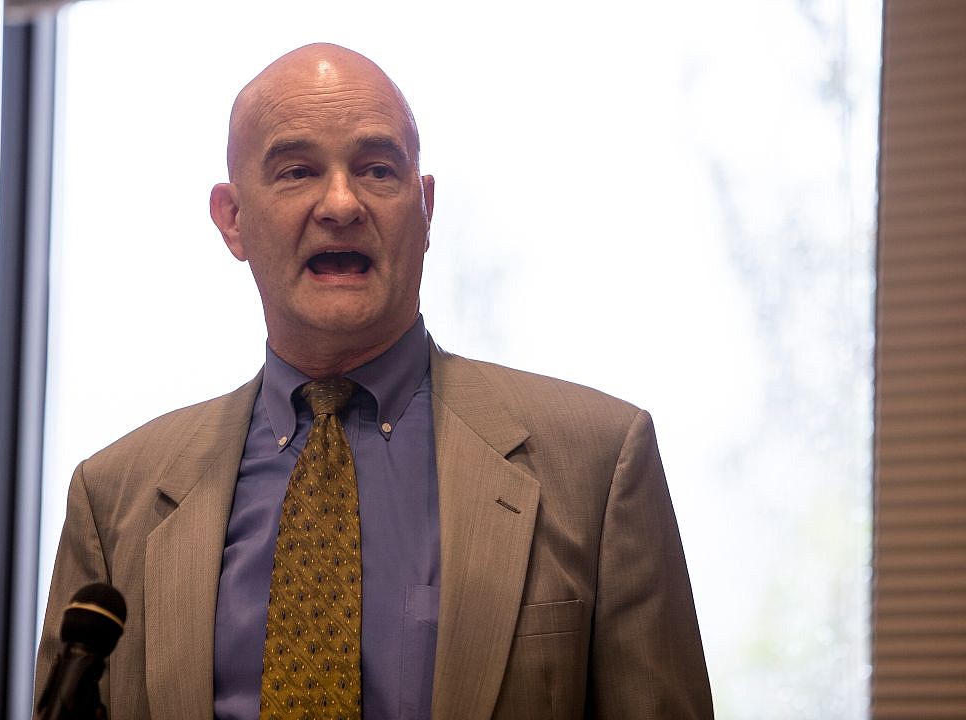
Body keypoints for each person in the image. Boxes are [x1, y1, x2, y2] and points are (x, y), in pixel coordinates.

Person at [35, 43, 714, 720]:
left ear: (424, 207)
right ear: (233, 218)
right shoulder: (113, 498)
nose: (341, 203)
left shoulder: (598, 462)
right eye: (297, 171)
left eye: (378, 170)